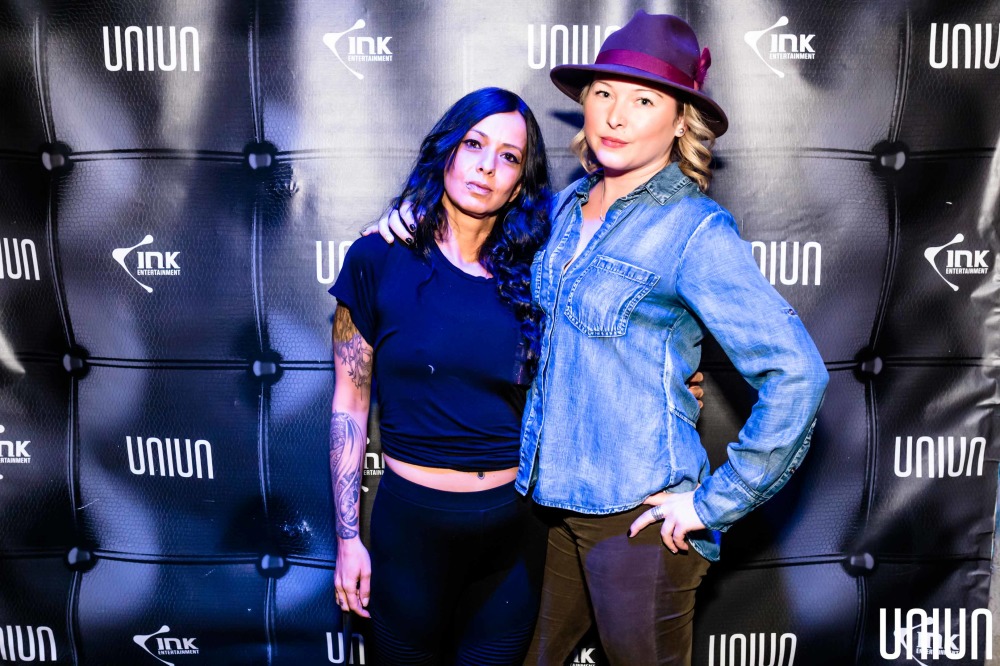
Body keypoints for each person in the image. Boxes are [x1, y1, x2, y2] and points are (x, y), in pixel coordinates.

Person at [375, 11, 829, 666]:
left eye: (644, 100)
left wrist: (714, 502)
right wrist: (412, 218)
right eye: (604, 93)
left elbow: (797, 374)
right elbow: (473, 255)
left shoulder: (694, 230)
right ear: (585, 105)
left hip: (635, 520)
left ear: (681, 123)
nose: (616, 115)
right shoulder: (560, 211)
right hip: (545, 505)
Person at [327, 87, 553, 665]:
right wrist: (348, 540)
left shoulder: (541, 272)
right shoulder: (377, 258)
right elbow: (350, 404)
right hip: (412, 533)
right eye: (474, 144)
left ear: (519, 184)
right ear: (446, 150)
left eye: (508, 156)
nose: (486, 166)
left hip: (512, 537)